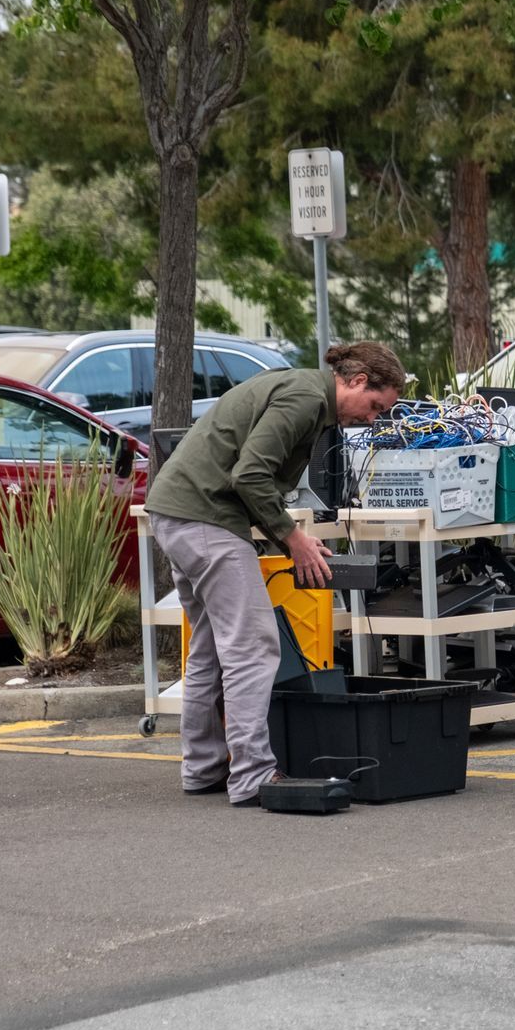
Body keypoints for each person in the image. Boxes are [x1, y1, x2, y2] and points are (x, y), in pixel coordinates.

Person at [144, 342, 406, 808]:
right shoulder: (306, 399)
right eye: (375, 407)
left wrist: (290, 537)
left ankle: (202, 768)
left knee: (209, 648)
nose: (372, 419)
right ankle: (251, 776)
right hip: (204, 518)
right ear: (359, 380)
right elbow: (250, 475)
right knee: (252, 647)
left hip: (179, 513)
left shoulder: (302, 391)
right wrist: (293, 538)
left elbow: (247, 472)